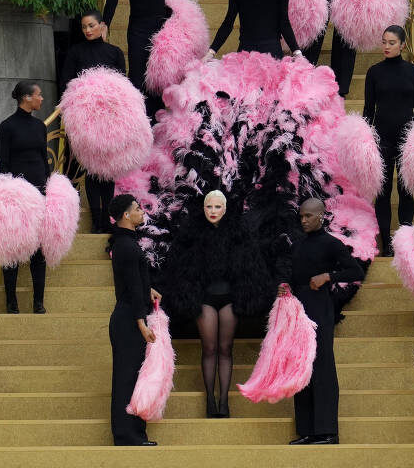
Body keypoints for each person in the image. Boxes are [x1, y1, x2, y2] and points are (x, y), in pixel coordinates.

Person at [162, 191, 273, 418]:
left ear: (225, 208)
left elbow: (252, 267)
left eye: (217, 207)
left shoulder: (239, 233)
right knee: (210, 347)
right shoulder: (193, 234)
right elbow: (178, 267)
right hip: (205, 298)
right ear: (203, 209)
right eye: (209, 207)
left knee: (225, 349)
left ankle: (224, 401)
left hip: (229, 297)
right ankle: (210, 401)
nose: (212, 211)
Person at [276, 198, 364, 445]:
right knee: (301, 367)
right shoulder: (298, 245)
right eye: (301, 216)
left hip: (321, 308)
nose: (303, 220)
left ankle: (327, 432)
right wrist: (286, 287)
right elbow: (294, 275)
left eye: (308, 216)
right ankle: (307, 431)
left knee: (323, 367)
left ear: (321, 216)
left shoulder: (332, 244)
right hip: (299, 309)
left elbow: (355, 271)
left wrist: (328, 276)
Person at [60, 10, 127, 233]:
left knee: (107, 169)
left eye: (91, 26)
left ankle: (107, 219)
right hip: (85, 118)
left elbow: (122, 86)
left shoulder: (115, 53)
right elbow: (66, 84)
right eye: (84, 27)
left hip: (109, 117)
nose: (87, 30)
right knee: (90, 168)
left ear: (102, 26)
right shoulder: (76, 52)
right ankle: (96, 220)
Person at [362, 25, 414, 255]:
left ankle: (405, 241)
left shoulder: (413, 72)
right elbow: (368, 111)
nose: (386, 46)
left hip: (407, 140)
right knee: (384, 191)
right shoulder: (374, 72)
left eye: (391, 42)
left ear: (402, 45)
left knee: (406, 190)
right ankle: (386, 243)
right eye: (384, 42)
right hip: (382, 138)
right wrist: (366, 139)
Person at [107, 194, 161, 446]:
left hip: (129, 315)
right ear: (126, 215)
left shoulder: (125, 242)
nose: (142, 212)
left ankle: (134, 434)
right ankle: (126, 435)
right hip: (129, 320)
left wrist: (148, 289)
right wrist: (141, 322)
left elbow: (135, 281)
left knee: (132, 378)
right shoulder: (126, 245)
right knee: (126, 379)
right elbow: (130, 285)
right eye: (137, 209)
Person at [0, 80, 51, 314]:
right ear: (27, 98)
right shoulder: (7, 127)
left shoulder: (40, 126)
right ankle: (11, 302)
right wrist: (9, 194)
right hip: (17, 195)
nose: (42, 99)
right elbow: (4, 164)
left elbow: (43, 159)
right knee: (14, 248)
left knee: (39, 249)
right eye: (39, 95)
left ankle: (38, 302)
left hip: (39, 192)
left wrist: (48, 188)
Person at [206, 0, 301, 60]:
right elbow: (228, 23)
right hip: (246, 52)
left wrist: (297, 52)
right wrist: (211, 52)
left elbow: (284, 23)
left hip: (272, 53)